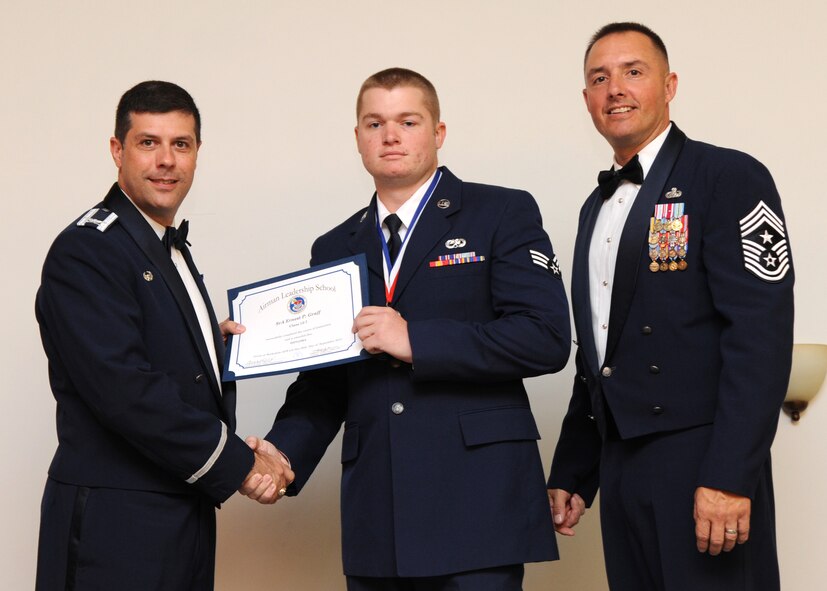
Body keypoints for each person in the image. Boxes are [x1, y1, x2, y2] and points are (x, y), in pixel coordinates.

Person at [244, 67, 571, 590]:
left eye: (407, 121)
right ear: (357, 139)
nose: (390, 135)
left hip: (477, 507)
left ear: (438, 133)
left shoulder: (500, 211)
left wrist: (415, 340)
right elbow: (327, 381)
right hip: (379, 511)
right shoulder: (333, 247)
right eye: (374, 123)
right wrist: (281, 454)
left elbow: (545, 337)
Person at [547, 22, 794, 591]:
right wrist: (575, 470)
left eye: (634, 72)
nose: (616, 89)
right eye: (599, 78)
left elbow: (760, 336)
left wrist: (731, 476)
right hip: (622, 465)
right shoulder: (594, 208)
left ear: (669, 84)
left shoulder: (729, 176)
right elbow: (602, 351)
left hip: (704, 459)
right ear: (586, 98)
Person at [34, 80, 293, 590]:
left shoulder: (161, 244)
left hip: (178, 509)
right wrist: (242, 465)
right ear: (117, 150)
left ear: (197, 153)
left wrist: (205, 340)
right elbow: (124, 389)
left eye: (181, 144)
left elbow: (148, 346)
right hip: (116, 522)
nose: (166, 160)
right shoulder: (88, 249)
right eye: (148, 142)